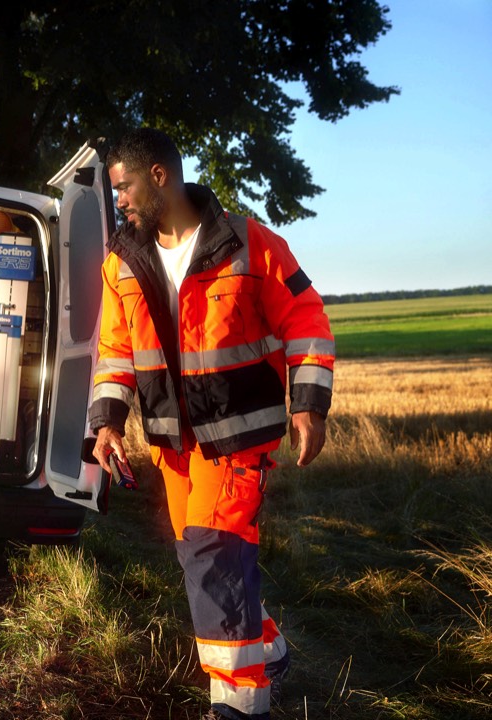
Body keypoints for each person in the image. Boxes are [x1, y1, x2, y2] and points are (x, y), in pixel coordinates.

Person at [89, 129, 334, 720]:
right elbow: (115, 350)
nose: (116, 199)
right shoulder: (121, 259)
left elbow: (307, 319)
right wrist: (107, 421)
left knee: (213, 553)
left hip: (239, 436)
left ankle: (241, 701)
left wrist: (308, 401)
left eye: (122, 186)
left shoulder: (250, 243)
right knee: (201, 555)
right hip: (173, 443)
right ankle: (267, 647)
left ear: (159, 176)